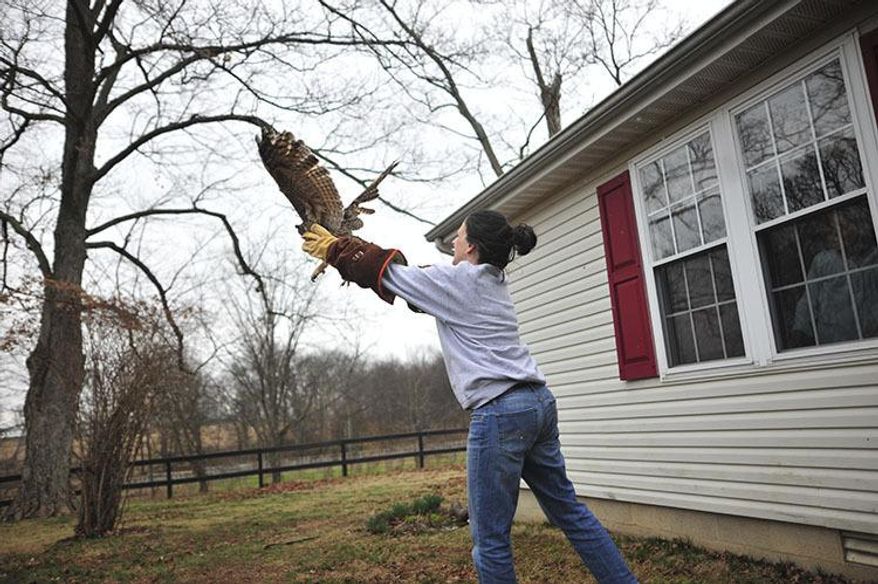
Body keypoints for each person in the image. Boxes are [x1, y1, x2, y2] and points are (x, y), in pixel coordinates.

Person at [302, 210, 638, 584]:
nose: (453, 244)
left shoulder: (458, 281)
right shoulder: (493, 281)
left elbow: (391, 274)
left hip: (500, 413)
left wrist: (337, 250)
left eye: (458, 238)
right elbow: (423, 288)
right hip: (538, 403)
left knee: (490, 539)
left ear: (472, 246)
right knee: (570, 513)